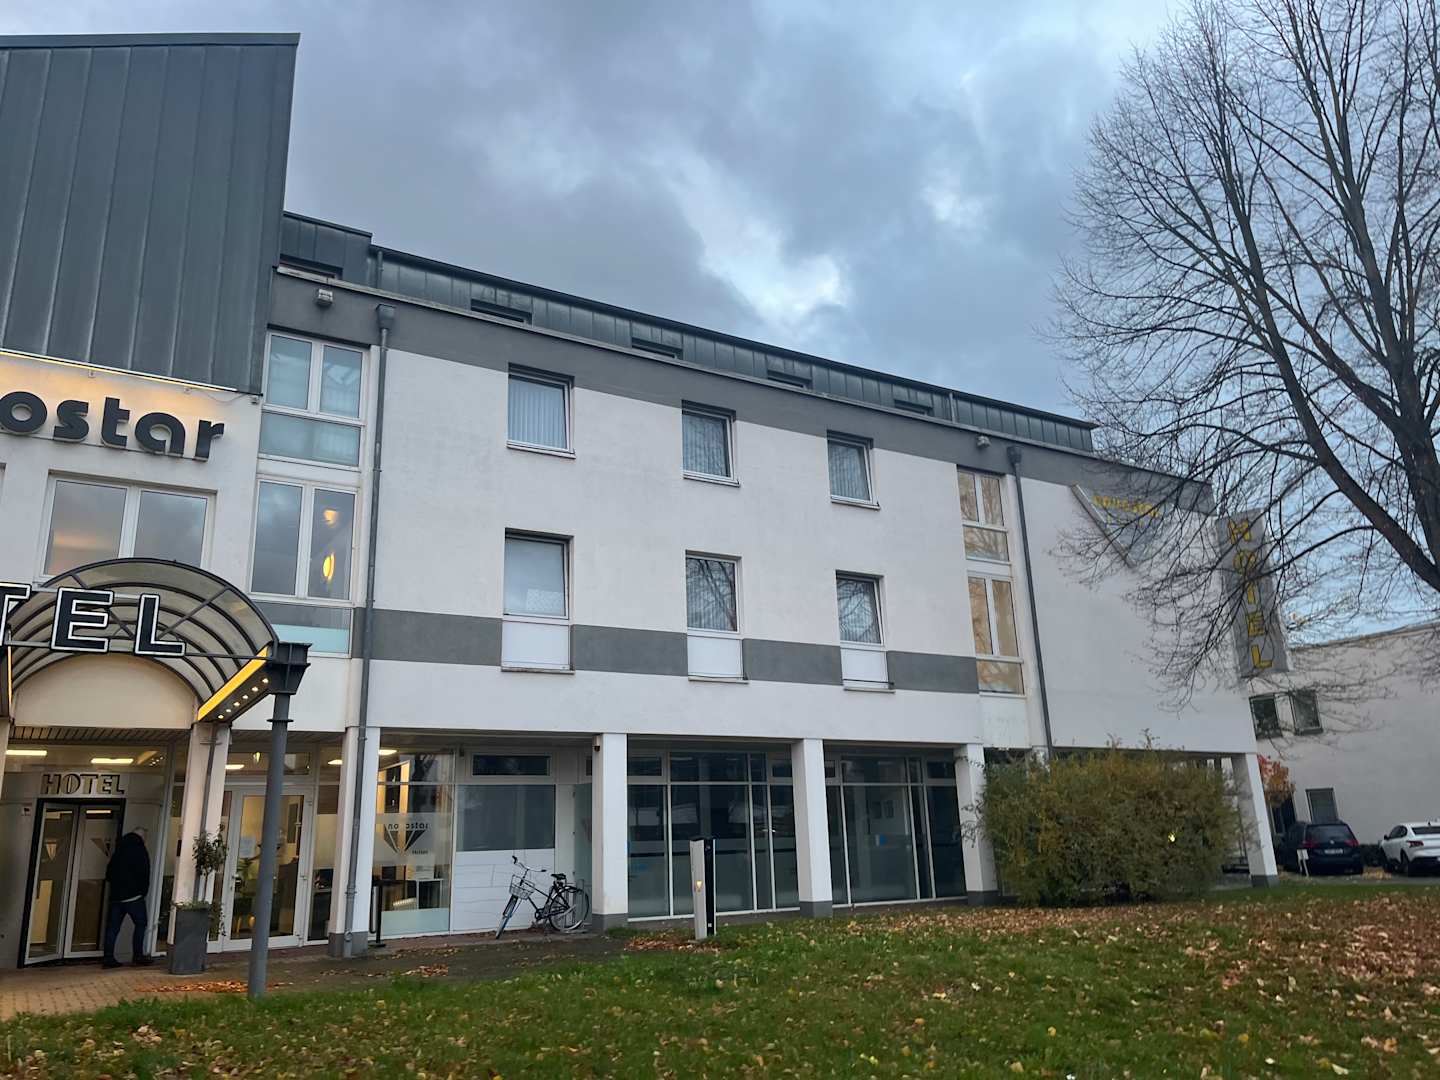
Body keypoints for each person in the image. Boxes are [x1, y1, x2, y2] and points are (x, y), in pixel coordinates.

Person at [102, 827, 153, 968]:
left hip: (116, 896)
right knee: (141, 924)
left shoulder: (119, 849)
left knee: (113, 928)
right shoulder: (140, 850)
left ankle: (108, 958)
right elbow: (144, 873)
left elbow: (109, 872)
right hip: (134, 897)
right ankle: (138, 956)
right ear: (142, 837)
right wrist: (142, 892)